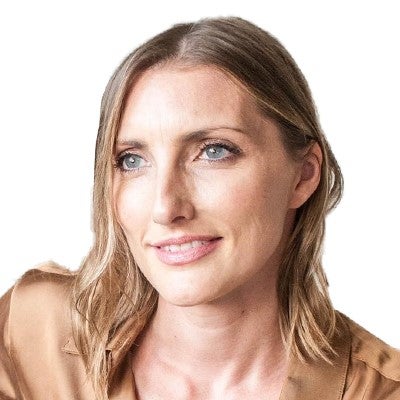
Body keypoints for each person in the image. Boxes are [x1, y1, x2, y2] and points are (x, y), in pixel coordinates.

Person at [1, 16, 399, 400]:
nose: (165, 207)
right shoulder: (32, 336)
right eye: (132, 160)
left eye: (214, 151)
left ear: (303, 176)